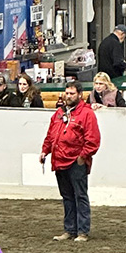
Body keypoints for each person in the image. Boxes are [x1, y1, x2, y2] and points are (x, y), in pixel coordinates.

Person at [41, 80, 101, 242]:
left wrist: (83, 156)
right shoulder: (59, 113)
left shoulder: (87, 114)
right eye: (67, 93)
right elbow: (51, 134)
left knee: (80, 195)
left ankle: (82, 231)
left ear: (80, 95)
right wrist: (45, 150)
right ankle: (70, 229)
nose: (68, 96)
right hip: (59, 159)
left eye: (72, 93)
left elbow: (93, 139)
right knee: (67, 196)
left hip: (76, 160)